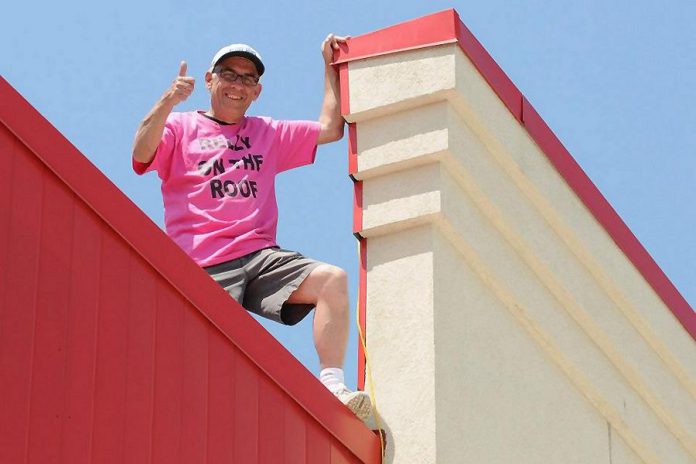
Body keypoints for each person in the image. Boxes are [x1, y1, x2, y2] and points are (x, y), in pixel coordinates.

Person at [131, 35, 372, 421]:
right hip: (201, 262)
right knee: (211, 366)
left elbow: (330, 128)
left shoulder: (267, 132)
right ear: (210, 79)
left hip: (260, 255)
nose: (237, 85)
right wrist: (168, 101)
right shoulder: (179, 126)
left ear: (257, 91)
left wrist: (329, 65)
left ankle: (332, 387)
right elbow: (141, 153)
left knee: (332, 279)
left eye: (247, 79)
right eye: (229, 74)